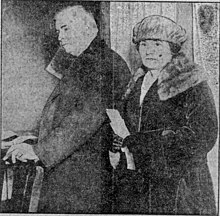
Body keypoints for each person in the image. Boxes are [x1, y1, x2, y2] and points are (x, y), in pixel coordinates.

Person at [3, 5, 131, 213]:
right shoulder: (88, 61)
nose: (60, 37)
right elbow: (66, 114)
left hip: (84, 176)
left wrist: (39, 150)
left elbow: (83, 119)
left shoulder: (102, 63)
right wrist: (33, 138)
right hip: (72, 169)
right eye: (58, 31)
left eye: (65, 29)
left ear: (89, 28)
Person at [114, 15, 218, 215]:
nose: (149, 50)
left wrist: (141, 142)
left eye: (157, 43)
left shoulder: (190, 80)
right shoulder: (138, 81)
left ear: (172, 48)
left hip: (180, 187)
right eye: (143, 44)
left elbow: (203, 136)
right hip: (139, 183)